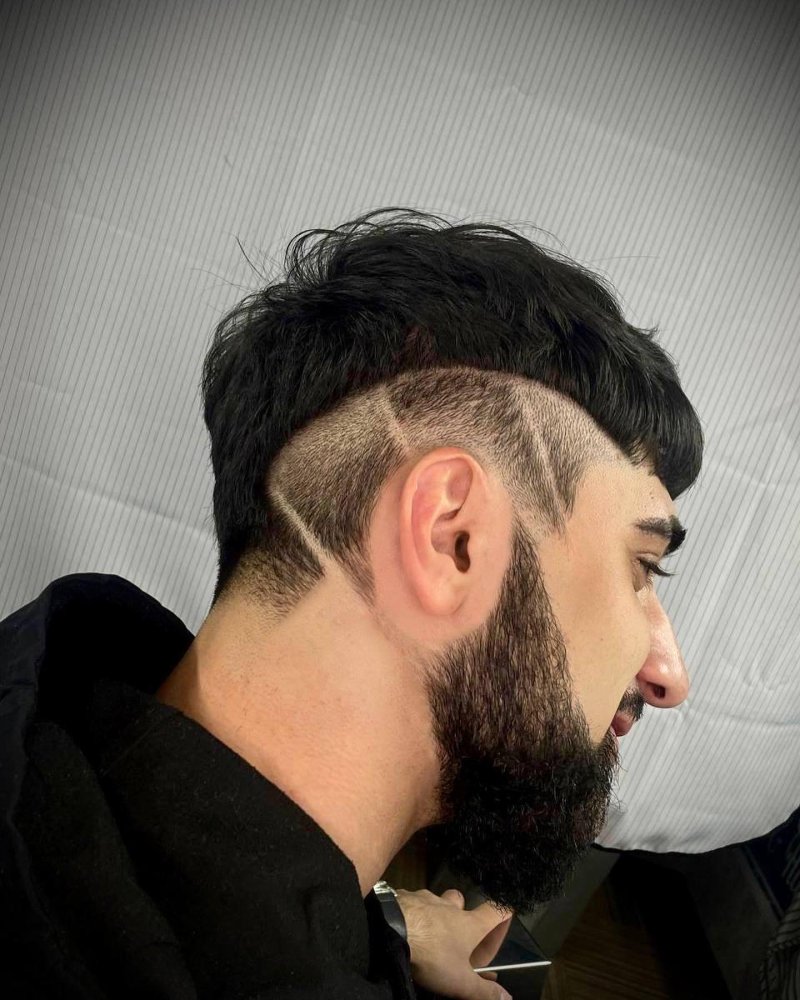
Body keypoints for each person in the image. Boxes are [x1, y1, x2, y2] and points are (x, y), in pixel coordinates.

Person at [0, 207, 702, 999]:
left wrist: (384, 926)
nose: (668, 677)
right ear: (451, 538)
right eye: (642, 567)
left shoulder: (67, 707)